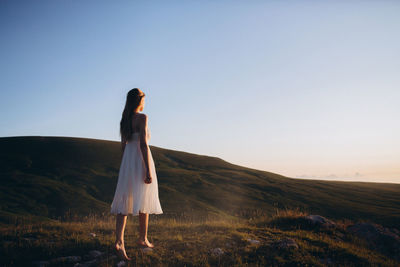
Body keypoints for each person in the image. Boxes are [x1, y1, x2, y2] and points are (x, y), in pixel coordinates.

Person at [110, 88, 163, 261]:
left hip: (128, 161)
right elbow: (143, 145)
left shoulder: (124, 120)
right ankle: (142, 238)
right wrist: (147, 169)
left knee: (126, 200)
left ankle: (119, 241)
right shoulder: (142, 118)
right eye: (144, 100)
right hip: (140, 160)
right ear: (140, 100)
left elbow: (124, 145)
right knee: (143, 197)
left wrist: (126, 165)